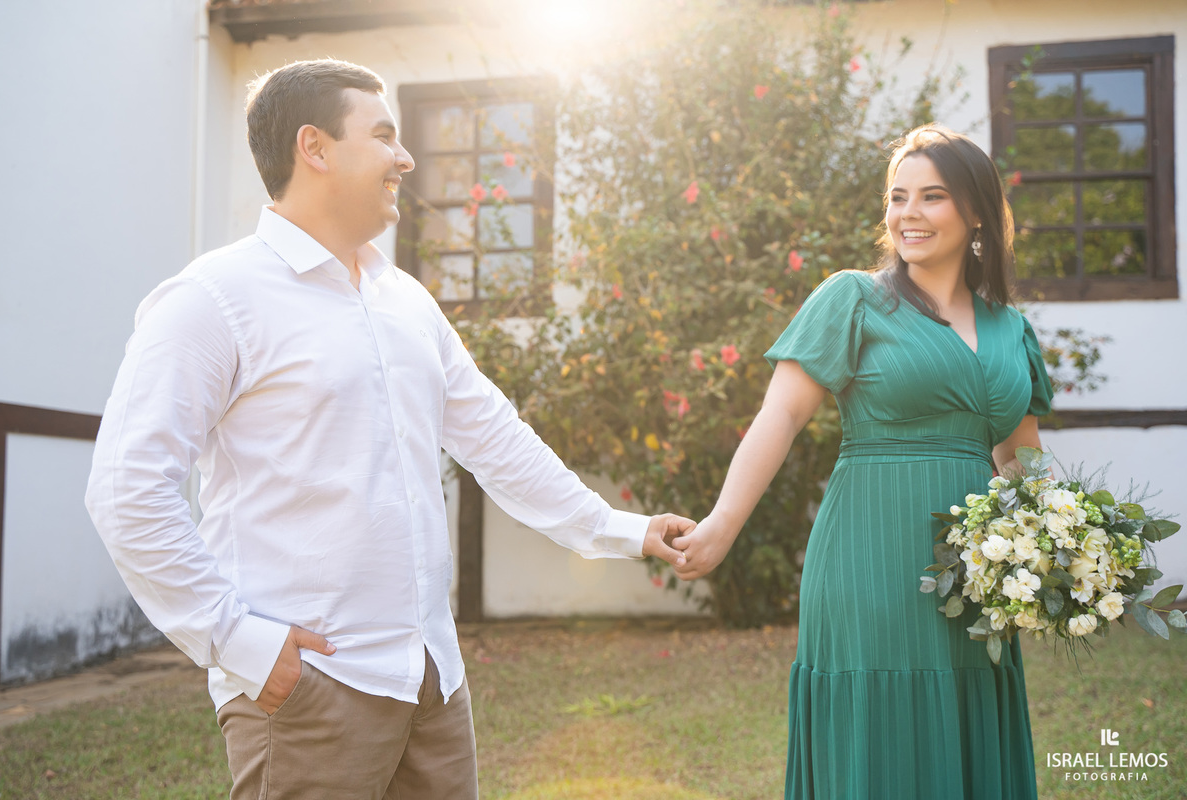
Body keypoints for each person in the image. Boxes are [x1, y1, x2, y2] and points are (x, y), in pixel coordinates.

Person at [85, 58, 694, 800]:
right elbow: (125, 488)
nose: (405, 158)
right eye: (382, 136)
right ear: (314, 147)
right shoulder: (212, 299)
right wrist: (238, 641)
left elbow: (494, 439)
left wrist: (623, 531)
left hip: (432, 680)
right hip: (311, 687)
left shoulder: (406, 301)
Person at [670, 124, 1052, 799]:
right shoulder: (853, 299)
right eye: (898, 196)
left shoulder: (1010, 328)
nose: (908, 213)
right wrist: (722, 524)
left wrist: (1059, 547)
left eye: (932, 196)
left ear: (975, 211)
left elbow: (1020, 459)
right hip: (869, 553)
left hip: (977, 572)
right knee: (880, 731)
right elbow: (780, 417)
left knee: (963, 716)